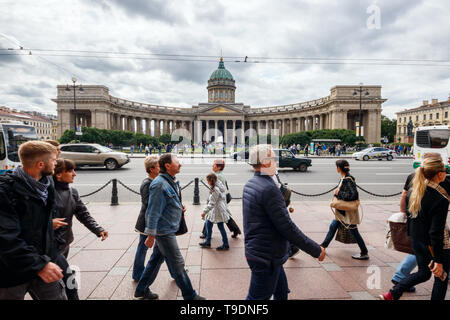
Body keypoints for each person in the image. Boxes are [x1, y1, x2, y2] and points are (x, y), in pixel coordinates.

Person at [243, 145, 326, 300]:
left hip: (261, 250)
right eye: (274, 159)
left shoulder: (250, 184)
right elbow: (287, 227)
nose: (277, 162)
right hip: (267, 257)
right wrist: (316, 250)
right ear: (266, 162)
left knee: (281, 293)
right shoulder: (269, 189)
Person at [0, 141, 66, 300]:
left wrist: (53, 248)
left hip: (43, 262)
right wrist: (39, 265)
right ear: (40, 164)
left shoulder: (46, 183)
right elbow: (6, 238)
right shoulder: (5, 191)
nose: (56, 163)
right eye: (53, 160)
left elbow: (44, 222)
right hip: (12, 270)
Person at [134, 154, 205, 300]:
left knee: (156, 260)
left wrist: (178, 207)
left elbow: (168, 202)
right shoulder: (159, 184)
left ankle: (141, 290)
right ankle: (190, 295)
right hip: (163, 231)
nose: (180, 164)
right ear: (167, 166)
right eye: (177, 162)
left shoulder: (170, 181)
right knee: (178, 264)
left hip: (167, 228)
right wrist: (151, 235)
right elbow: (152, 212)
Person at [379, 157, 449, 300]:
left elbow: (411, 219)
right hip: (434, 244)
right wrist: (439, 260)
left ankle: (393, 293)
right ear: (439, 174)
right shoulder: (440, 199)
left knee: (423, 273)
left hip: (417, 240)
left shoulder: (414, 191)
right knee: (441, 278)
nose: (446, 173)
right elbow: (436, 232)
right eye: (445, 170)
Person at [51, 158, 108, 299]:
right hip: (50, 246)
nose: (74, 174)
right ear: (58, 174)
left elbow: (83, 214)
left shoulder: (72, 192)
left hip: (64, 243)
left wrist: (98, 229)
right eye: (70, 171)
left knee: (55, 281)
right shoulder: (47, 192)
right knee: (70, 283)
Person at [391, 152, 444, 292]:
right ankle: (399, 278)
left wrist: (404, 214)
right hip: (429, 232)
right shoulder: (439, 191)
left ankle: (397, 284)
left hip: (415, 229)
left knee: (421, 263)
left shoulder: (413, 178)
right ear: (437, 171)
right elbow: (435, 230)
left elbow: (404, 196)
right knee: (434, 267)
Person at [132, 155, 175, 281]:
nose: (161, 168)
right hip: (147, 222)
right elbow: (149, 205)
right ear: (151, 169)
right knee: (143, 248)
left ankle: (175, 272)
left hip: (156, 222)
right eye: (158, 166)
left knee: (164, 247)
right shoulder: (147, 184)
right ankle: (137, 274)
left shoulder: (157, 181)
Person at [320, 160, 369, 260]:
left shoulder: (348, 179)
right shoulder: (344, 178)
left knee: (354, 232)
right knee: (333, 226)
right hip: (342, 211)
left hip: (348, 212)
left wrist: (338, 193)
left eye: (336, 167)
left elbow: (353, 195)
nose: (336, 168)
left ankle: (364, 252)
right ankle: (323, 246)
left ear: (339, 168)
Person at [200, 160, 241, 239]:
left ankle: (205, 233)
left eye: (214, 165)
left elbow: (216, 189)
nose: (212, 166)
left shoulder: (218, 176)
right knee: (224, 215)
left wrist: (210, 199)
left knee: (210, 215)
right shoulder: (219, 175)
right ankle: (235, 229)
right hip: (220, 198)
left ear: (219, 167)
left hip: (219, 199)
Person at [199, 173, 230, 250]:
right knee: (208, 224)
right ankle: (208, 242)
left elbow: (212, 203)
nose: (207, 182)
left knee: (220, 227)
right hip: (215, 210)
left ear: (210, 181)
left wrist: (204, 212)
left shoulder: (216, 189)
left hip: (217, 210)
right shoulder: (218, 185)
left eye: (207, 181)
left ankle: (225, 244)